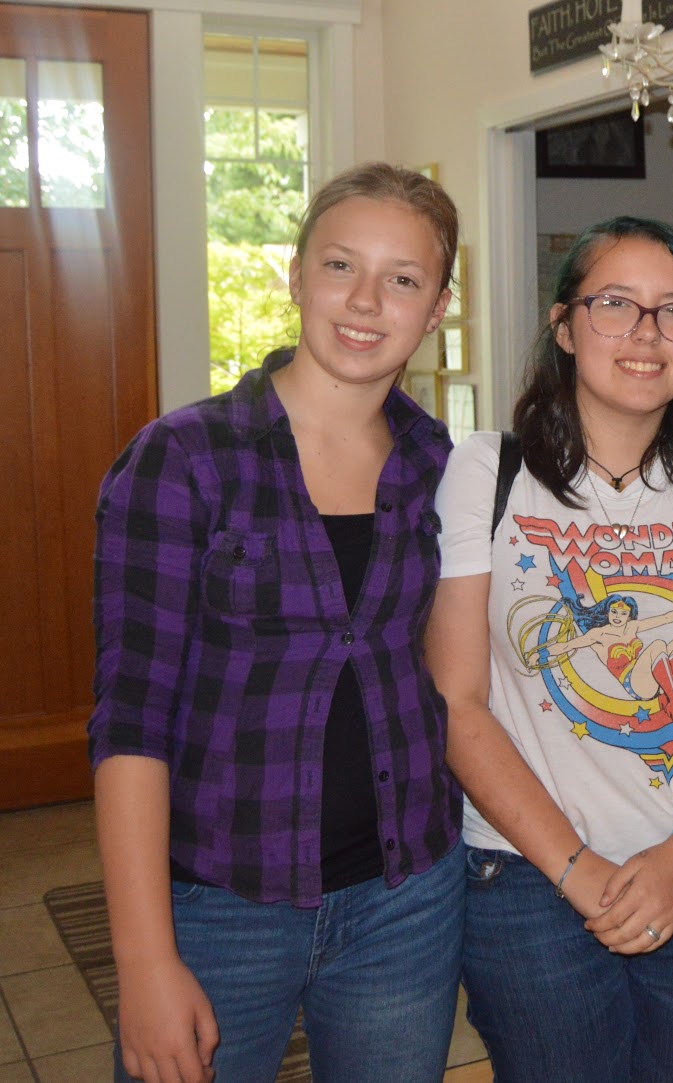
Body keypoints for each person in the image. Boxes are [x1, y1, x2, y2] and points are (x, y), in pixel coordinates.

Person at [90, 162, 464, 1083]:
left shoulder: (441, 467)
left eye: (403, 279)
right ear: (296, 276)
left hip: (405, 900)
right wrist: (144, 959)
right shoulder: (182, 459)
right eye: (340, 265)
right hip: (219, 904)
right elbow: (130, 722)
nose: (366, 300)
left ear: (438, 307)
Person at [425, 216, 673, 1083]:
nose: (646, 333)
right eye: (615, 304)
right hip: (528, 878)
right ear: (564, 325)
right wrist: (577, 868)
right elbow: (456, 702)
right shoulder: (489, 470)